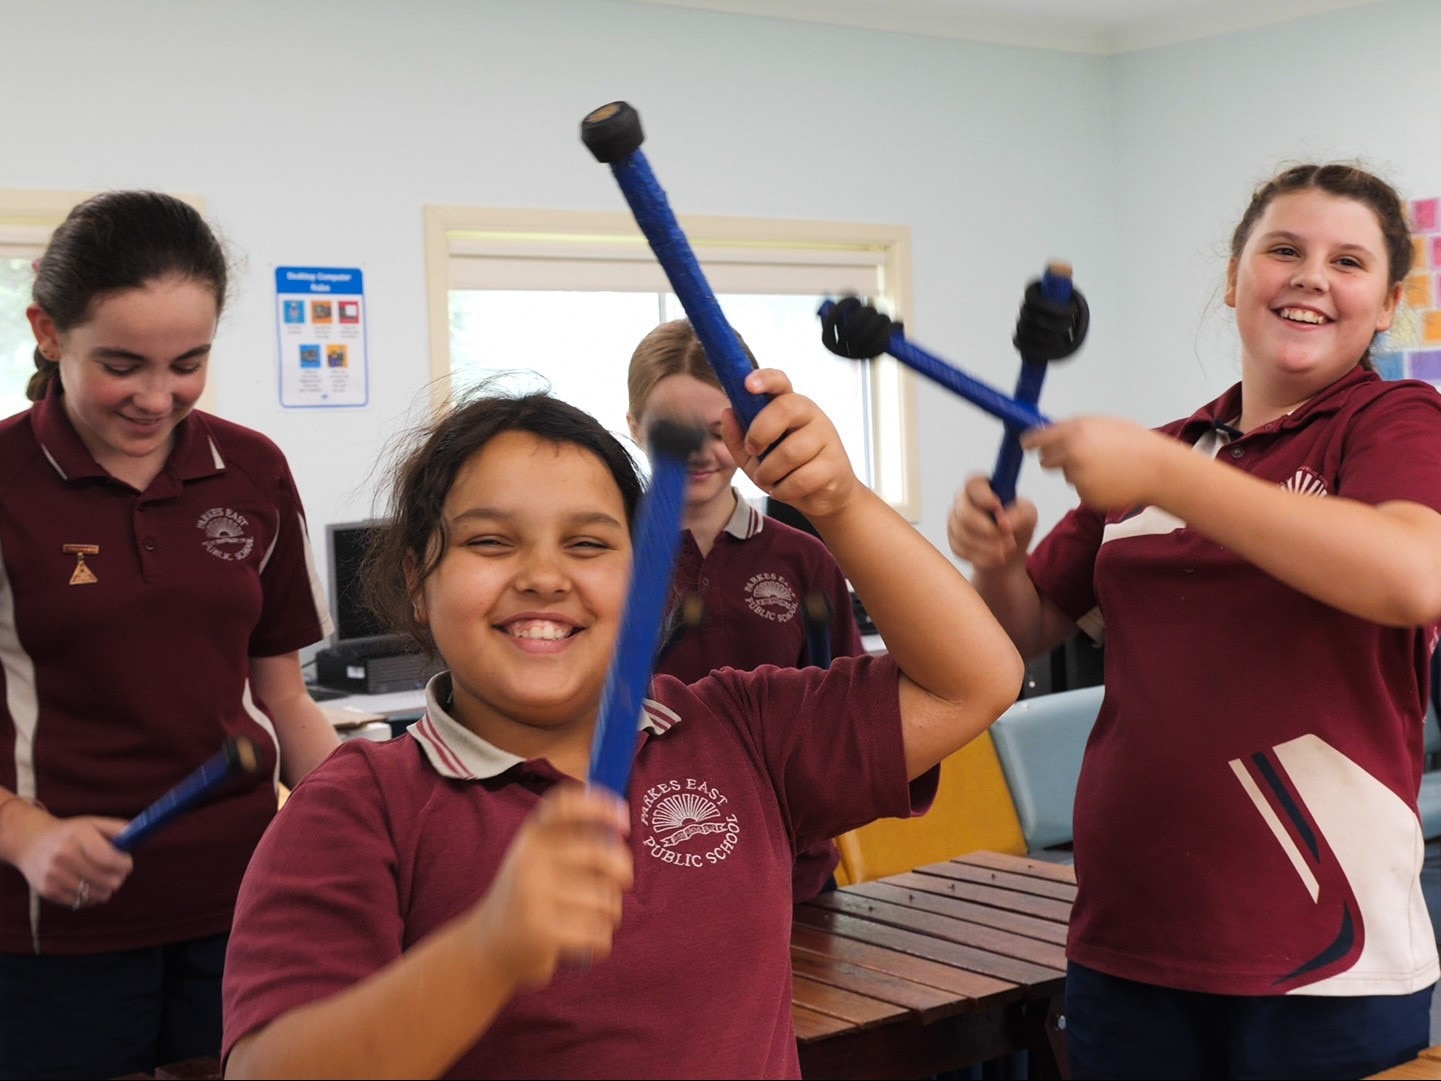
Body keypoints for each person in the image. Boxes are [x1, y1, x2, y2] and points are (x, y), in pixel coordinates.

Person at [221, 366, 1025, 1079]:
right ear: (416, 579)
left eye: (587, 542)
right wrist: (485, 952)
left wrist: (836, 501)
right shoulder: (356, 808)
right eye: (491, 541)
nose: (543, 575)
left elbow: (976, 681)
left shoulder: (739, 729)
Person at [948, 163, 1441, 1080]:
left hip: (1322, 959)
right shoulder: (1166, 452)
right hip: (1126, 943)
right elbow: (1015, 633)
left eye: (1347, 261)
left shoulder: (1394, 419)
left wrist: (1166, 476)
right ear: (1233, 277)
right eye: (1283, 249)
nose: (1309, 276)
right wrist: (993, 559)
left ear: (1384, 305)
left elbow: (1413, 576)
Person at [0, 191, 340, 1080]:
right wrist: (26, 833)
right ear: (46, 331)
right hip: (54, 929)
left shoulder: (254, 470)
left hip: (241, 902)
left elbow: (283, 696)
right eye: (122, 365)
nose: (158, 397)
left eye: (188, 363)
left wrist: (362, 805)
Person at [626, 318, 865, 899]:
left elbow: (850, 714)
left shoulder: (805, 559)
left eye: (718, 430)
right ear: (633, 427)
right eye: (674, 433)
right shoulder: (603, 560)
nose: (700, 453)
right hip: (643, 873)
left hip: (789, 873)